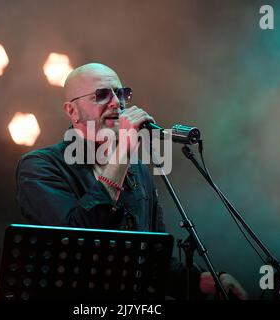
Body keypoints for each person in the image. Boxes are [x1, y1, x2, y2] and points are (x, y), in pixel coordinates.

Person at [15, 63, 248, 300]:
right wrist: (124, 151)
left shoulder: (136, 169)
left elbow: (152, 260)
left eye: (121, 93)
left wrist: (205, 281)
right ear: (72, 111)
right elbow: (75, 239)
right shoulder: (40, 166)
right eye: (102, 94)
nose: (116, 102)